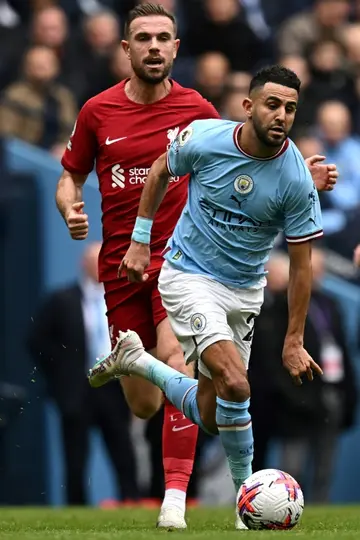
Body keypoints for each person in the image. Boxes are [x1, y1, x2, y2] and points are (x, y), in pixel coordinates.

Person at [88, 65, 337, 528]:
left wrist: (294, 339)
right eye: (272, 104)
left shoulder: (297, 180)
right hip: (188, 277)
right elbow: (162, 168)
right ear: (248, 107)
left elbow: (302, 266)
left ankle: (138, 362)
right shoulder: (205, 138)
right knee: (237, 384)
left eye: (290, 108)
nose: (281, 115)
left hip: (244, 293)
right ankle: (248, 504)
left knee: (211, 414)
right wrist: (141, 240)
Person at [55, 3, 220, 529]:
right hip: (120, 269)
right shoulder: (97, 112)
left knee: (177, 357)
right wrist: (68, 205)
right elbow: (69, 176)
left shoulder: (197, 109)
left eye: (163, 37)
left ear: (176, 47)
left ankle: (174, 498)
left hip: (182, 262)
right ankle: (131, 361)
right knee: (145, 403)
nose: (153, 46)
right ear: (125, 49)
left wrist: (301, 169)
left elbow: (249, 154)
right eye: (143, 38)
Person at [28, 243, 140, 505]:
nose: (100, 265)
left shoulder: (120, 298)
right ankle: (76, 508)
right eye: (94, 260)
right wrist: (59, 380)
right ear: (83, 264)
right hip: (77, 391)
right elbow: (36, 341)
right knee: (75, 457)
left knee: (123, 451)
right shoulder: (62, 300)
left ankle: (132, 501)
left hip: (114, 389)